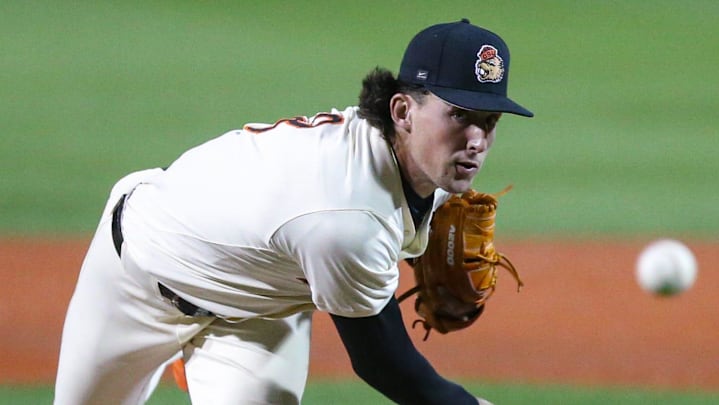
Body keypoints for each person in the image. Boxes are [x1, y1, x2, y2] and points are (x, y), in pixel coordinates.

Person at [54, 18, 533, 404]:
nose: (476, 141)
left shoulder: (416, 160)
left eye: (488, 122)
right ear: (403, 111)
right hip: (137, 276)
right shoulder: (345, 219)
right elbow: (385, 365)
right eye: (460, 116)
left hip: (258, 312)